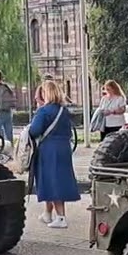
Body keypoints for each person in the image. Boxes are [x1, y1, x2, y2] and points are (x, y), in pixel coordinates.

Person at [30, 80, 80, 229]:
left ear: (46, 93)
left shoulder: (43, 111)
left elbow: (34, 131)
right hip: (64, 148)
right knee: (55, 179)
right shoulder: (63, 111)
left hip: (49, 149)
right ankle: (47, 213)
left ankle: (61, 217)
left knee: (52, 180)